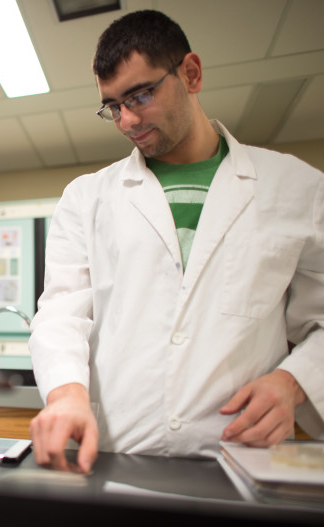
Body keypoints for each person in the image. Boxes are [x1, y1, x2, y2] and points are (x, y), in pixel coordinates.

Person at [28, 10, 324, 473]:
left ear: (191, 74)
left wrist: (293, 381)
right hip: (115, 454)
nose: (126, 120)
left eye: (140, 95)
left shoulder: (297, 188)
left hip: (241, 459)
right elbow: (63, 313)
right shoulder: (86, 198)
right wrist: (66, 394)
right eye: (113, 107)